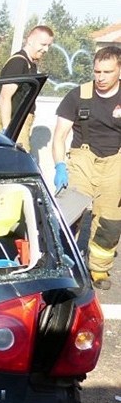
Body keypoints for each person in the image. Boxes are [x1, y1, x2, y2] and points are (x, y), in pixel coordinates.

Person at [52, 45, 121, 290]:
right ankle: (60, 265)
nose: (100, 77)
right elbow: (60, 135)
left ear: (119, 71)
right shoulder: (77, 96)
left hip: (116, 163)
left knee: (110, 222)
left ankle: (99, 270)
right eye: (97, 71)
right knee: (69, 214)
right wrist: (60, 165)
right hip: (82, 159)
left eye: (107, 72)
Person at [0, 25, 55, 152]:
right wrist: (8, 131)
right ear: (30, 40)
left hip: (21, 123)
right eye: (43, 44)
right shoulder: (18, 62)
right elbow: (4, 97)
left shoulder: (31, 64)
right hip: (14, 124)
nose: (46, 49)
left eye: (48, 46)